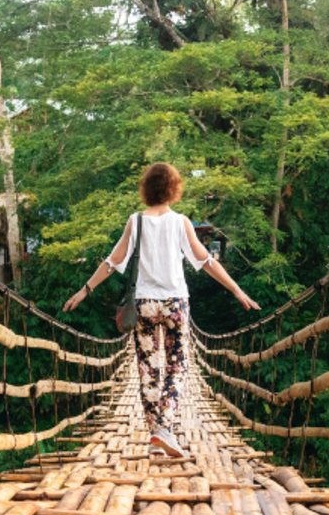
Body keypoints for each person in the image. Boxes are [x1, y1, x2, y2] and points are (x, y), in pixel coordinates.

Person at [62, 162, 260, 457]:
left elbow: (112, 262)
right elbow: (206, 261)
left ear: (146, 189)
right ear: (174, 188)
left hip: (142, 303)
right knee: (177, 365)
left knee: (147, 367)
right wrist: (237, 289)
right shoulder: (180, 222)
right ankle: (165, 429)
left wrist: (84, 290)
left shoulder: (135, 221)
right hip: (175, 303)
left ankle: (158, 433)